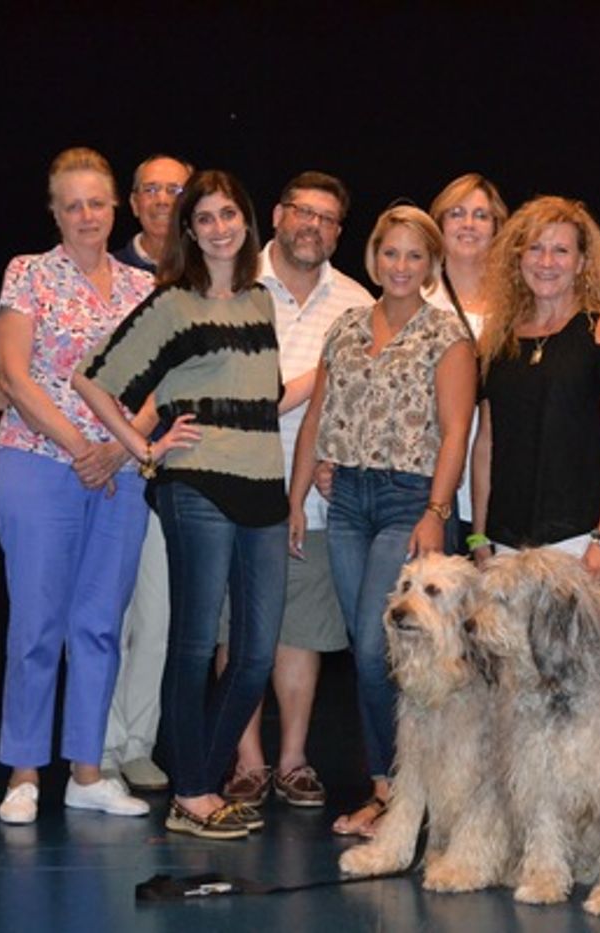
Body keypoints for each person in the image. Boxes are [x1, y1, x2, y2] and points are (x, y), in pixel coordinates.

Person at [74, 169, 290, 841]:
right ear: (190, 231)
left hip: (264, 486)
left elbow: (265, 395)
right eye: (205, 218)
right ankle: (192, 790)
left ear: (246, 223)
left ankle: (199, 775)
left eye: (229, 214)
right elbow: (92, 379)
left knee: (255, 654)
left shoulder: (260, 301)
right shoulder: (171, 304)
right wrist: (146, 444)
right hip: (195, 482)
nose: (219, 227)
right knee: (194, 643)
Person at [289, 205, 474, 838]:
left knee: (377, 649)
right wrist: (296, 499)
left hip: (408, 500)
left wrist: (435, 512)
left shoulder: (445, 335)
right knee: (367, 649)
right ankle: (389, 789)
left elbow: (456, 432)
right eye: (390, 253)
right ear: (374, 256)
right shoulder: (344, 325)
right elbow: (317, 418)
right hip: (347, 502)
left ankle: (408, 792)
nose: (400, 266)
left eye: (414, 256)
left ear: (431, 265)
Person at [0, 146, 157, 825]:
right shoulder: (27, 274)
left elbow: (160, 386)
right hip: (37, 463)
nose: (87, 214)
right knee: (37, 623)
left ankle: (87, 769)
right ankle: (24, 771)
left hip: (119, 474)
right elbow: (15, 375)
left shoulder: (145, 288)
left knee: (99, 625)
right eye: (73, 204)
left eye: (98, 202)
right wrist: (79, 445)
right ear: (55, 212)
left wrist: (116, 452)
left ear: (116, 208)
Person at [217, 172, 373, 810]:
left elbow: (365, 403)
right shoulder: (232, 280)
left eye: (328, 218)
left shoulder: (359, 301)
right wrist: (319, 376)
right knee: (240, 629)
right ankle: (246, 759)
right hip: (234, 486)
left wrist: (339, 457)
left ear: (339, 231)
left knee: (302, 632)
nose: (314, 225)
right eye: (303, 212)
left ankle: (293, 759)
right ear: (278, 214)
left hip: (317, 497)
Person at [469, 196, 600, 587]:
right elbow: (486, 443)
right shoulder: (497, 341)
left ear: (582, 262)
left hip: (580, 543)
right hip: (504, 543)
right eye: (535, 248)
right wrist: (479, 536)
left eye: (561, 250)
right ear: (518, 257)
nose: (546, 262)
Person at [99, 153, 193, 793]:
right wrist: (119, 442)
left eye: (176, 189)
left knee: (158, 618)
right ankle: (97, 746)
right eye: (151, 189)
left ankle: (137, 744)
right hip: (105, 465)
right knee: (107, 615)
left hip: (172, 471)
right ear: (132, 202)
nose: (163, 199)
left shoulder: (201, 271)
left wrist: (139, 440)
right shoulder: (106, 272)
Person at [422, 173, 509, 547]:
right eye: (457, 213)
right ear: (439, 224)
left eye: (481, 215)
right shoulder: (414, 297)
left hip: (501, 482)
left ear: (498, 228)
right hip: (428, 484)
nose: (469, 224)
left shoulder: (519, 306)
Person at [112, 155, 194, 272]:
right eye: (150, 190)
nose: (162, 201)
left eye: (174, 191)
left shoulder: (210, 267)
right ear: (135, 203)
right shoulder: (109, 271)